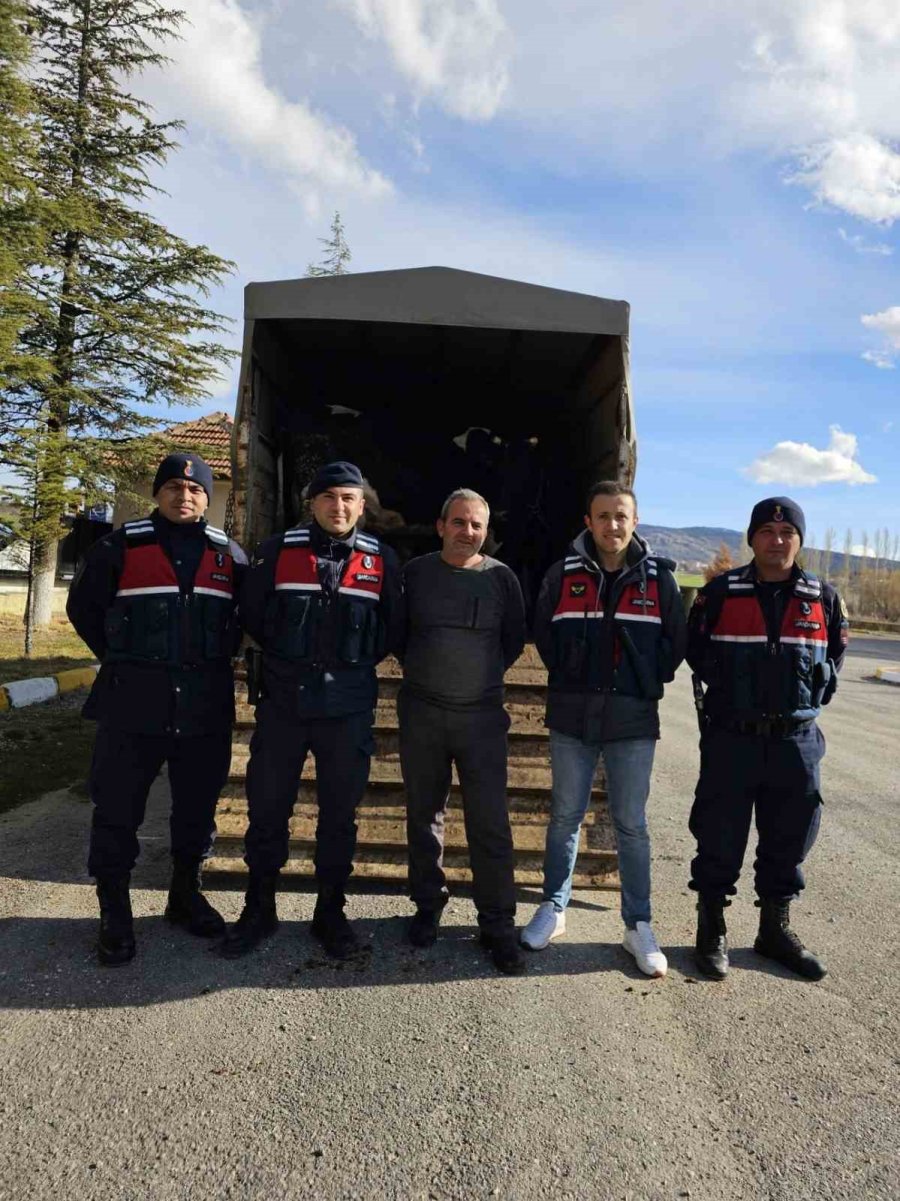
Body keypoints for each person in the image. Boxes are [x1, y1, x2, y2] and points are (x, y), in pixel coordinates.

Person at [67, 453, 247, 966]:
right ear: (156, 493)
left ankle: (184, 896)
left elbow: (245, 616)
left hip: (204, 707)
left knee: (196, 810)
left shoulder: (229, 556)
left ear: (207, 499)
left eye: (194, 490)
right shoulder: (119, 547)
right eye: (172, 486)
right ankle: (114, 910)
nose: (183, 496)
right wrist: (125, 660)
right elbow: (84, 610)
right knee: (118, 810)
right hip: (132, 705)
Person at [223, 461, 402, 960]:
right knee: (267, 811)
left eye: (349, 498)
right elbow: (253, 615)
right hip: (284, 707)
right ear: (313, 503)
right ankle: (259, 908)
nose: (339, 507)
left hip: (346, 711)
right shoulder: (276, 552)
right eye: (329, 497)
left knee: (340, 816)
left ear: (362, 506)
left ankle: (331, 911)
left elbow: (391, 629)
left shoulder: (382, 560)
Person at [525, 480, 686, 977]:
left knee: (631, 824)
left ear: (634, 521)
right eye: (602, 516)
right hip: (573, 716)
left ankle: (637, 924)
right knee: (564, 817)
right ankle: (554, 908)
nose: (612, 525)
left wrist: (638, 680)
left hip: (633, 719)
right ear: (588, 522)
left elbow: (673, 645)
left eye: (621, 516)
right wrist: (573, 679)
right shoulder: (563, 574)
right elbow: (544, 634)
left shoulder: (659, 580)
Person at [686, 497, 848, 981]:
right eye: (767, 532)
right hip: (732, 737)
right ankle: (711, 928)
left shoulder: (823, 598)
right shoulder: (719, 593)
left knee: (790, 838)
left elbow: (834, 658)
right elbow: (696, 652)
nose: (777, 541)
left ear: (799, 541)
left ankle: (773, 931)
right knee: (719, 836)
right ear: (751, 537)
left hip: (795, 741)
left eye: (787, 534)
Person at [399, 488, 527, 976]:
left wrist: (477, 680)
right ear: (440, 525)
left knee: (490, 824)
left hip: (482, 720)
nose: (467, 532)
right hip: (423, 715)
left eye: (475, 525)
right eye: (458, 522)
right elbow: (398, 634)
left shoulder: (502, 579)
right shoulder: (416, 575)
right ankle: (427, 907)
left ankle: (497, 925)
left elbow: (512, 639)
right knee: (423, 814)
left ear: (485, 531)